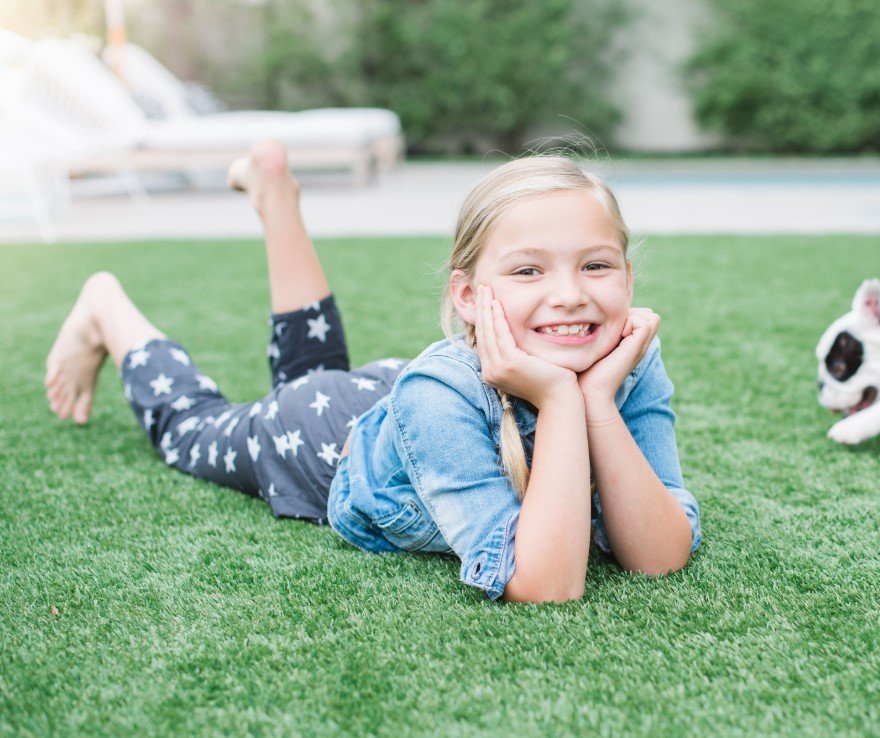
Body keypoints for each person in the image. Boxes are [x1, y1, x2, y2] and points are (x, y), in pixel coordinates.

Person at [45, 140, 701, 602]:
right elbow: (546, 585)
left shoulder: (625, 359)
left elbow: (660, 556)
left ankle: (275, 195)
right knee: (195, 429)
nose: (570, 295)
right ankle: (107, 309)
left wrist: (597, 400)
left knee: (314, 367)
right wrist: (560, 398)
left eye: (595, 265)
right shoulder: (439, 397)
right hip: (320, 440)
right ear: (467, 295)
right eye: (529, 270)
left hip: (393, 404)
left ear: (627, 278)